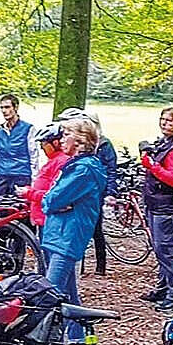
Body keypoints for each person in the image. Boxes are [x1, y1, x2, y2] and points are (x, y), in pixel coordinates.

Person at [40, 118, 107, 345]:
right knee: (68, 293)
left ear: (79, 141)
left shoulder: (83, 170)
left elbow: (51, 200)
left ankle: (45, 344)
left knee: (49, 292)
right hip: (59, 234)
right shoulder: (74, 166)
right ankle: (76, 342)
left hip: (67, 238)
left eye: (65, 134)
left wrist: (53, 202)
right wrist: (54, 202)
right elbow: (54, 200)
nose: (60, 139)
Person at [139, 107, 173, 311]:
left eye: (170, 121)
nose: (165, 123)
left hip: (165, 206)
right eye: (163, 119)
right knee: (159, 250)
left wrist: (152, 167)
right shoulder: (163, 144)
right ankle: (162, 288)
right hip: (155, 202)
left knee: (165, 251)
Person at [59, 107, 117, 276]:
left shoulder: (105, 145)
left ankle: (101, 265)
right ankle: (80, 265)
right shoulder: (80, 146)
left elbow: (111, 169)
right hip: (84, 190)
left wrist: (110, 192)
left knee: (96, 230)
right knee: (79, 227)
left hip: (97, 192)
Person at [23, 124, 69, 228]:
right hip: (43, 216)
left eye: (44, 144)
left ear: (55, 143)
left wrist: (29, 193)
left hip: (49, 219)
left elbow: (53, 194)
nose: (42, 148)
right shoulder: (53, 160)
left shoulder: (61, 162)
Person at [0, 94, 38, 197]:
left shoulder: (28, 129)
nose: (4, 111)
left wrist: (34, 178)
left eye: (7, 107)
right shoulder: (1, 130)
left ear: (16, 108)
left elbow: (34, 154)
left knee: (19, 208)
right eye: (2, 107)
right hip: (3, 175)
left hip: (21, 175)